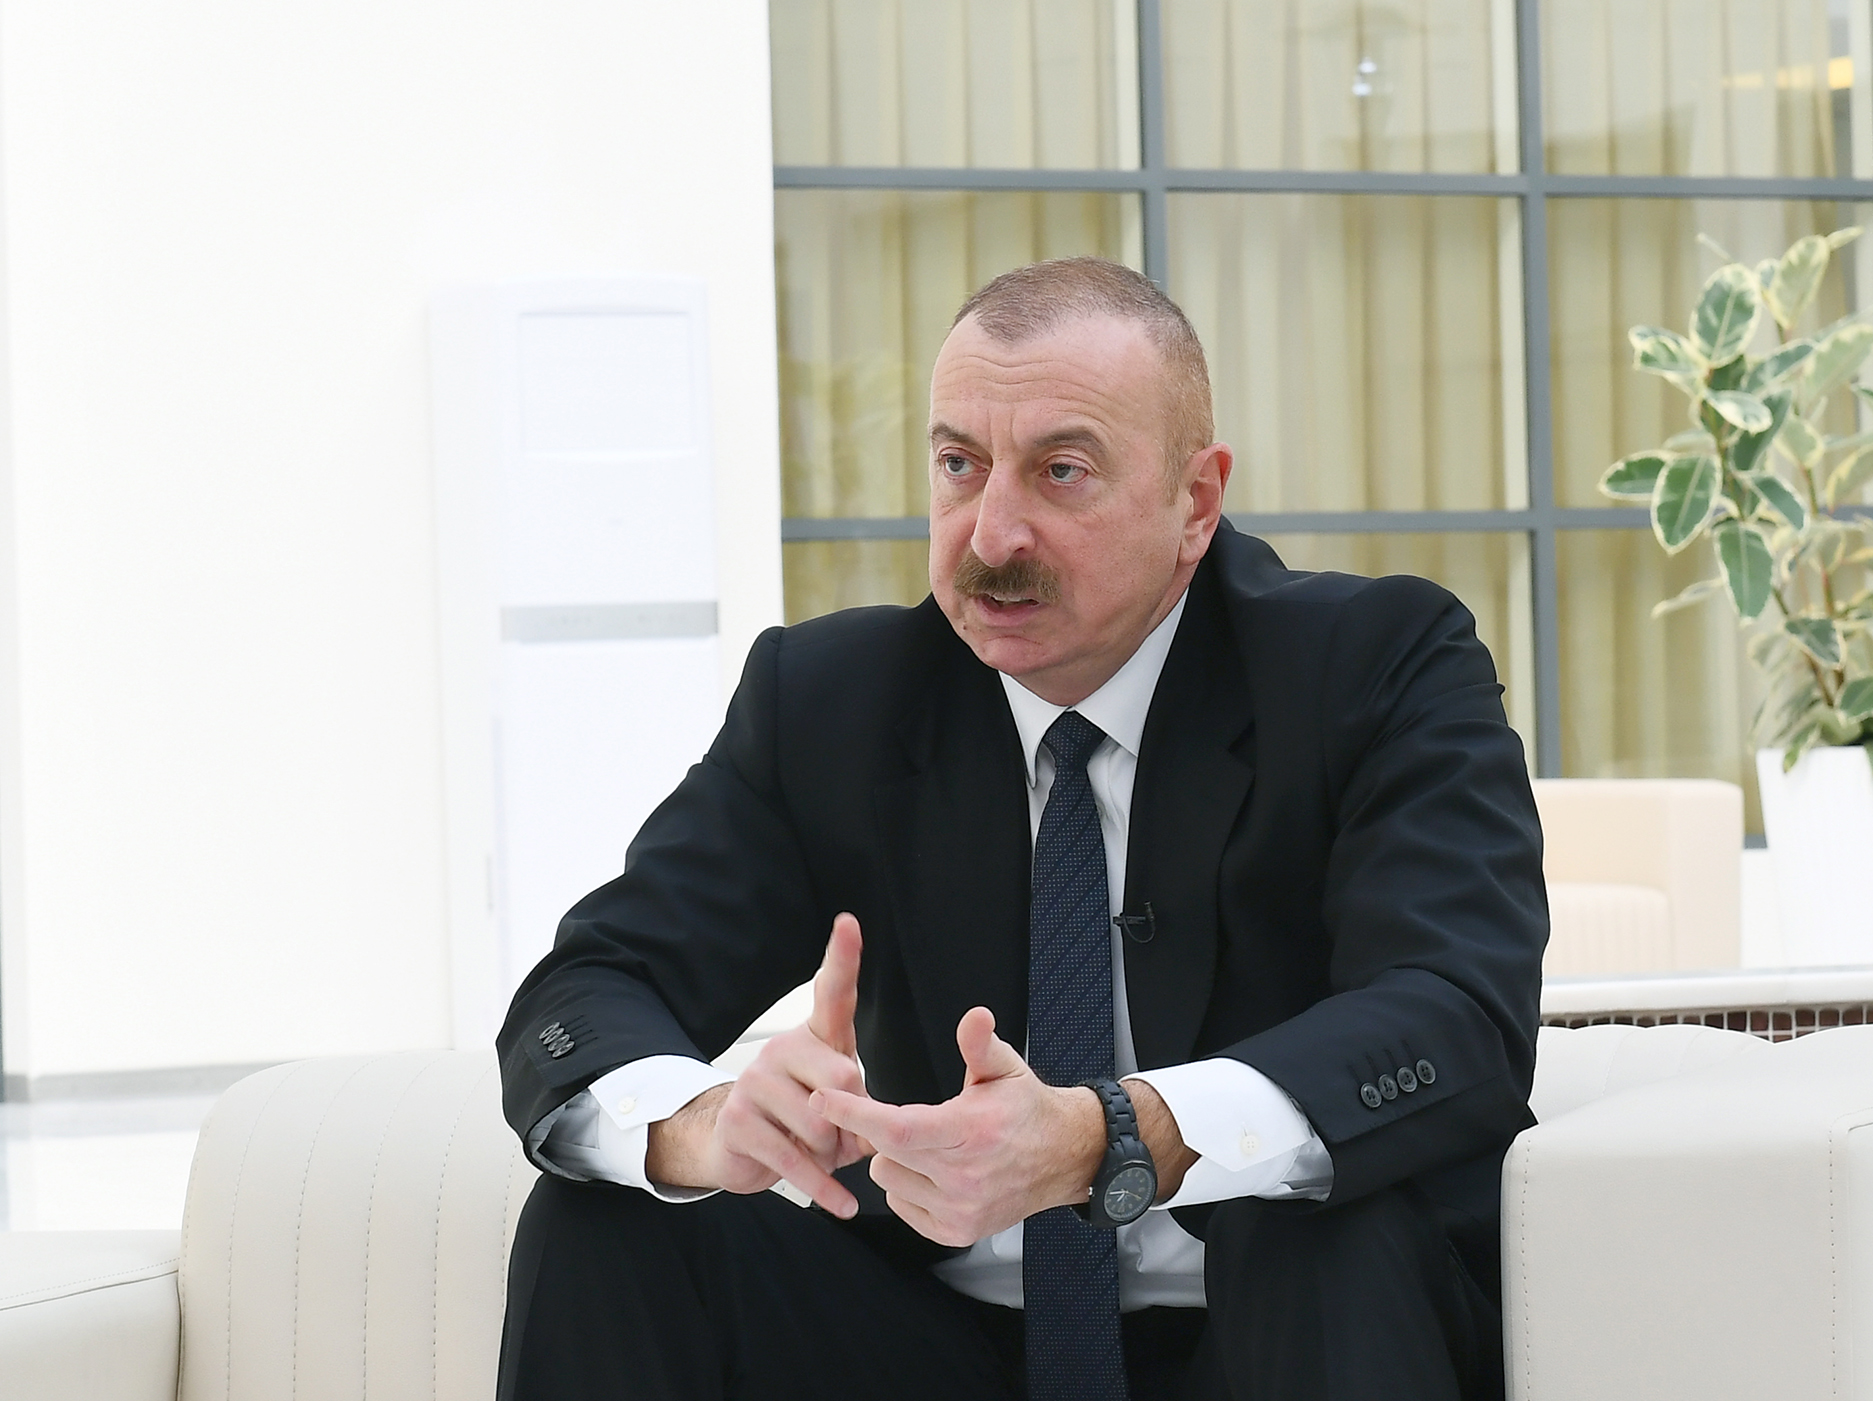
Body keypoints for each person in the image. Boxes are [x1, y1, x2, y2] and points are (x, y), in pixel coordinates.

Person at [494, 256, 1547, 1401]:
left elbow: (1457, 1016)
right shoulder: (832, 700)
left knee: (1321, 1230)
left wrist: (1115, 1135)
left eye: (1061, 472)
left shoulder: (1377, 665)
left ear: (1195, 503)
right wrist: (705, 1130)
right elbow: (587, 990)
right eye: (960, 465)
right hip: (932, 1341)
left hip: (1278, 1327)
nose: (992, 534)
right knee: (609, 1218)